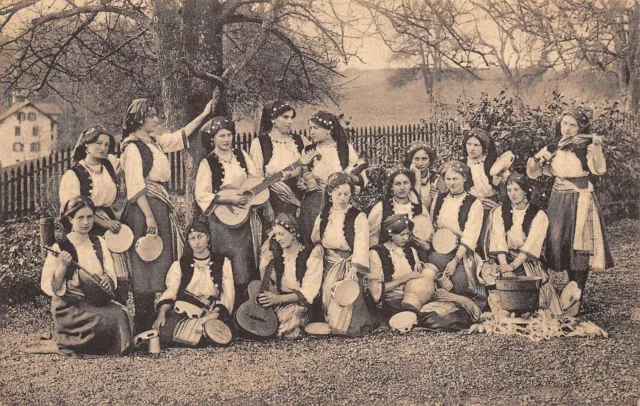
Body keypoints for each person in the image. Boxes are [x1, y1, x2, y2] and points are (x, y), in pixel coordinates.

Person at [119, 97, 212, 333]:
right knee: (144, 263)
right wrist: (149, 217)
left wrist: (204, 114)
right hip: (143, 211)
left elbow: (179, 137)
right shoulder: (132, 147)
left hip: (159, 207)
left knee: (160, 264)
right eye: (151, 116)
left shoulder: (155, 143)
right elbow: (135, 185)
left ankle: (157, 322)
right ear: (139, 119)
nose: (156, 120)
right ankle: (142, 325)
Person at [527, 107, 614, 314]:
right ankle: (569, 289)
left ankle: (578, 291)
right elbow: (534, 173)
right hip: (559, 198)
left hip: (580, 197)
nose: (567, 128)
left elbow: (599, 169)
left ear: (580, 127)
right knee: (561, 241)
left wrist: (597, 148)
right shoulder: (555, 146)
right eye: (564, 123)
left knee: (580, 244)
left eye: (572, 125)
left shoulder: (586, 147)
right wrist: (539, 160)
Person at [34, 196, 132, 356]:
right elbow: (49, 286)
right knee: (106, 320)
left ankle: (102, 345)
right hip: (71, 306)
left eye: (89, 217)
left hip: (96, 300)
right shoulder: (59, 247)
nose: (86, 222)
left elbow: (109, 271)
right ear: (71, 219)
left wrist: (108, 279)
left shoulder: (100, 242)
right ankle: (71, 341)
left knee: (122, 314)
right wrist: (62, 267)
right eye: (80, 218)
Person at [195, 117, 261, 309]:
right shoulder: (207, 163)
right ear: (213, 139)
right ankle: (227, 308)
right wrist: (228, 199)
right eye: (221, 136)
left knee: (246, 260)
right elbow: (202, 193)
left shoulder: (241, 156)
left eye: (229, 135)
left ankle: (246, 308)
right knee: (228, 260)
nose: (226, 139)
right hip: (221, 219)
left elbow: (255, 180)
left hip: (244, 216)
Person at [59, 125, 129, 304]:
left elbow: (128, 157)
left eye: (106, 144)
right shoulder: (73, 174)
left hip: (109, 219)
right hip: (85, 225)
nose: (103, 148)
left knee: (120, 268)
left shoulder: (109, 165)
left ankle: (120, 310)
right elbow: (71, 210)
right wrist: (102, 223)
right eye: (98, 143)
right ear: (86, 145)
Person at [310, 172, 381, 336]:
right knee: (327, 295)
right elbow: (316, 237)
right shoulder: (324, 216)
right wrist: (318, 245)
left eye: (346, 194)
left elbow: (361, 244)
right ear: (330, 193)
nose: (342, 198)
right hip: (328, 262)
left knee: (348, 299)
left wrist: (354, 269)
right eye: (338, 194)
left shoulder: (358, 216)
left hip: (349, 262)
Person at [487, 173, 563, 315]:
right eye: (509, 190)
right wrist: (505, 267)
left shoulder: (538, 215)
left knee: (526, 293)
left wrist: (513, 266)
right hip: (504, 258)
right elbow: (498, 239)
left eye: (516, 189)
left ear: (525, 190)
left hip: (526, 261)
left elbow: (530, 245)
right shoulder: (500, 212)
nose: (512, 194)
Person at [152, 221, 234, 348]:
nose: (197, 242)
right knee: (164, 334)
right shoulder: (180, 264)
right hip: (184, 308)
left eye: (200, 236)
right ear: (188, 242)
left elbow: (228, 293)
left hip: (210, 309)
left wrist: (214, 312)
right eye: (192, 238)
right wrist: (161, 315)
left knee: (216, 334)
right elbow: (171, 292)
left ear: (208, 237)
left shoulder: (222, 262)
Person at [298, 111, 366, 246]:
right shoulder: (308, 150)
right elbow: (303, 177)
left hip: (340, 201)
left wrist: (349, 176)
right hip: (314, 204)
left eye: (315, 128)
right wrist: (304, 181)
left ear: (329, 129)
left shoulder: (345, 149)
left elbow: (361, 180)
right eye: (310, 128)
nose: (311, 132)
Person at [257, 214, 322, 339]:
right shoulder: (276, 254)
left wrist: (278, 299)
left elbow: (309, 292)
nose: (278, 239)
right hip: (280, 300)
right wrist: (262, 268)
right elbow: (268, 287)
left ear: (293, 233)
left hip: (302, 303)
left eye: (281, 234)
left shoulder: (311, 255)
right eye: (275, 235)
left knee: (283, 325)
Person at [427, 161, 485, 301]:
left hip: (463, 254)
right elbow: (433, 225)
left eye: (455, 179)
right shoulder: (439, 199)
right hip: (440, 251)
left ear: (464, 178)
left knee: (460, 284)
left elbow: (470, 237)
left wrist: (455, 260)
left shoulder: (474, 203)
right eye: (448, 179)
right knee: (430, 269)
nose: (451, 183)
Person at [369, 215, 437, 319]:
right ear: (390, 234)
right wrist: (407, 277)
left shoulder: (411, 251)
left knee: (444, 311)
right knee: (425, 317)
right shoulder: (376, 253)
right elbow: (376, 290)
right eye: (402, 235)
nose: (406, 238)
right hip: (392, 300)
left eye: (408, 234)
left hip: (415, 297)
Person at [250, 100, 309, 219]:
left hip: (300, 199)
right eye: (285, 117)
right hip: (273, 201)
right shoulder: (260, 144)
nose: (290, 122)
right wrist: (266, 206)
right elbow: (256, 179)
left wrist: (305, 182)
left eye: (291, 118)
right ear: (273, 120)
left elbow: (308, 171)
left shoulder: (300, 140)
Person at [368, 166, 433, 251]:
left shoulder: (420, 209)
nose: (402, 187)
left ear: (411, 185)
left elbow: (428, 237)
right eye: (398, 184)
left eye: (406, 183)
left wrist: (425, 245)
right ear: (391, 186)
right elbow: (371, 237)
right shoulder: (381, 208)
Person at [461, 128, 501, 258]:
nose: (472, 148)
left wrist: (498, 182)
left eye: (476, 145)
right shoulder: (462, 164)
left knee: (489, 236)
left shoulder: (492, 163)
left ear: (484, 147)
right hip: (471, 205)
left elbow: (506, 187)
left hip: (491, 205)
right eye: (469, 144)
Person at [404, 141, 439, 209]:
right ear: (411, 160)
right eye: (417, 159)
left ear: (430, 160)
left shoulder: (436, 178)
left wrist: (438, 197)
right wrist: (417, 175)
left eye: (424, 159)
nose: (420, 163)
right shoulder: (406, 178)